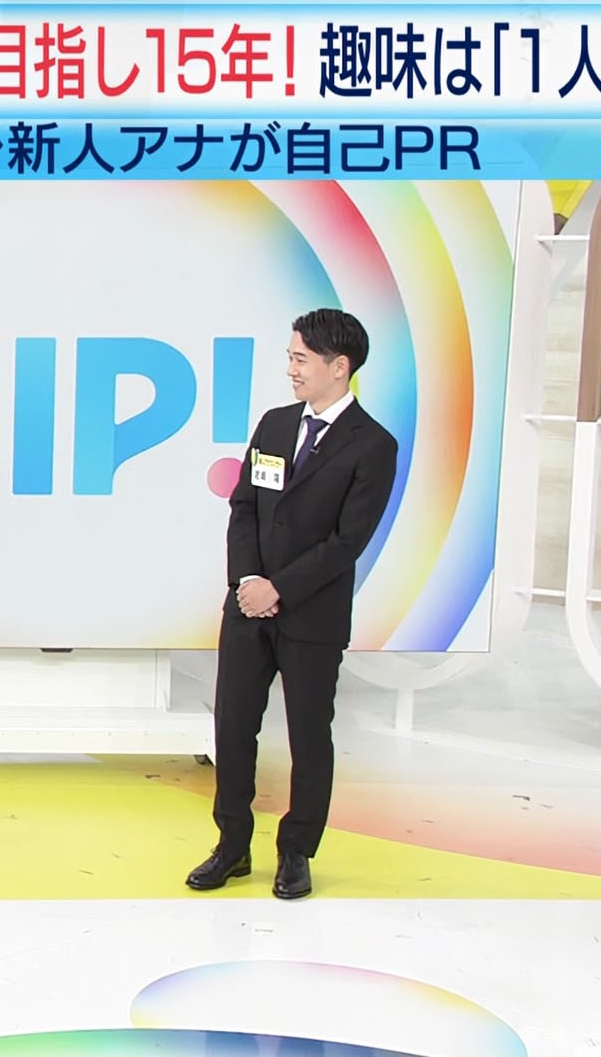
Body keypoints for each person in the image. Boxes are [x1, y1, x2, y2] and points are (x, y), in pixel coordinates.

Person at [187, 308, 398, 901]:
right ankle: (231, 847)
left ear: (340, 366)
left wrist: (278, 589)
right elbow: (245, 507)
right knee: (233, 729)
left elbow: (348, 541)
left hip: (311, 617)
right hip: (247, 610)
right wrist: (248, 581)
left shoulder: (373, 445)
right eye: (290, 358)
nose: (291, 370)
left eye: (301, 359)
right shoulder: (275, 426)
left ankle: (297, 851)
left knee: (309, 738)